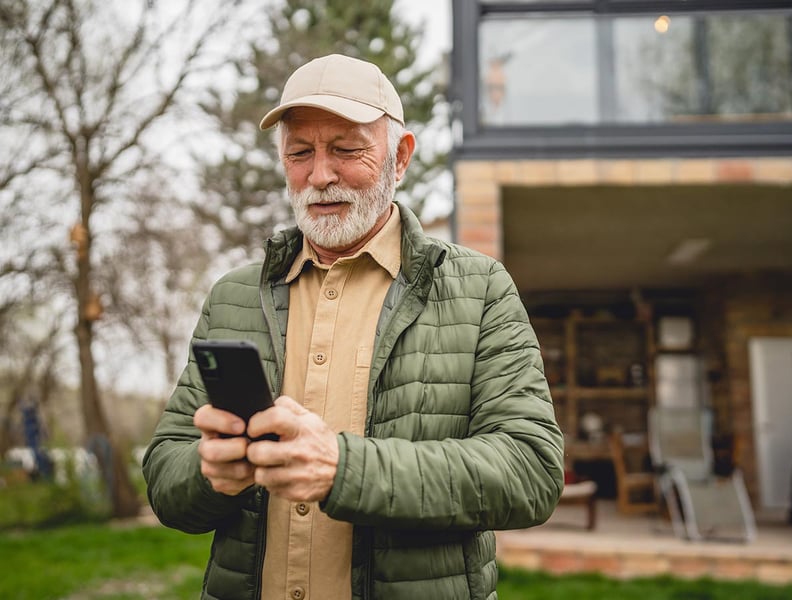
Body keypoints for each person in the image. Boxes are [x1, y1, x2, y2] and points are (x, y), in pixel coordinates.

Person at [142, 53, 564, 600]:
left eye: (346, 149)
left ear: (401, 157)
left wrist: (345, 469)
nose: (320, 175)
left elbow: (531, 471)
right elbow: (165, 476)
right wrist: (209, 475)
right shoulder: (234, 296)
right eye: (300, 153)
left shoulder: (480, 289)